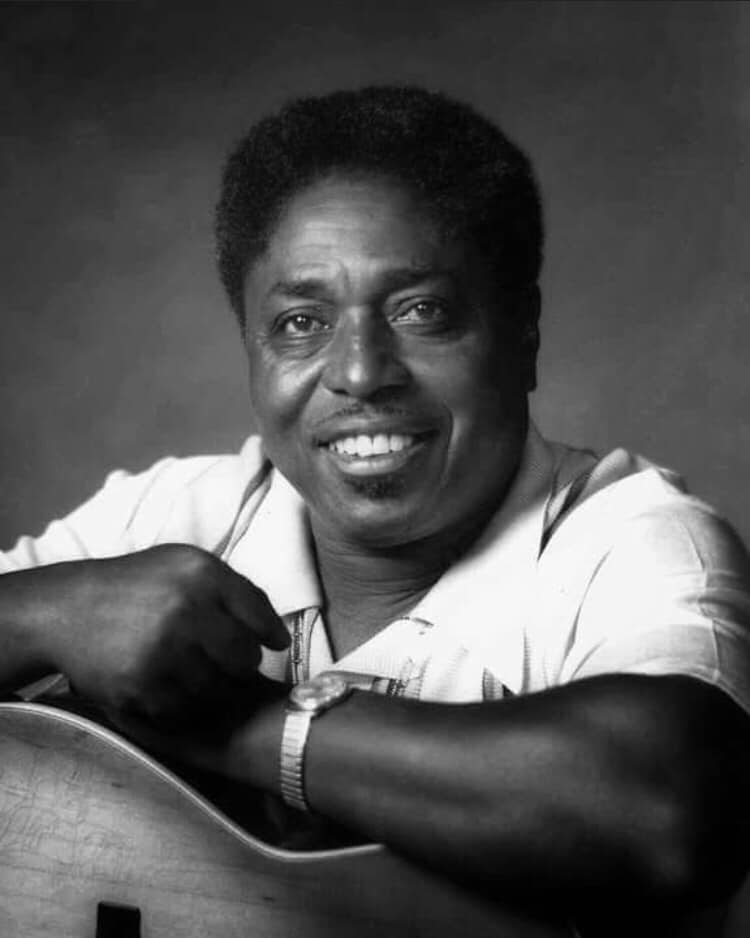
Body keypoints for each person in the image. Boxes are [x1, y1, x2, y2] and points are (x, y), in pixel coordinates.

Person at [1, 86, 749, 932]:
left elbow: (670, 812)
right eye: (300, 322)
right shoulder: (173, 514)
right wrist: (39, 612)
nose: (360, 373)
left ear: (524, 332)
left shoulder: (631, 538)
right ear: (249, 346)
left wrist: (227, 720)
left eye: (421, 311)